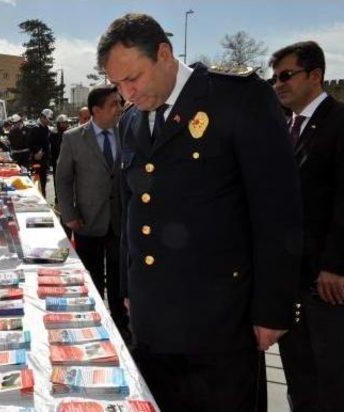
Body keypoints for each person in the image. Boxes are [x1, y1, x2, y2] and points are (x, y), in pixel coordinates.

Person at [99, 13, 302, 411]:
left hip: (219, 322)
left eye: (133, 78)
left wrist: (273, 309)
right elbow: (131, 215)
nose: (126, 94)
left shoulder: (237, 98)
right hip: (153, 322)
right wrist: (128, 293)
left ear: (164, 53)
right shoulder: (131, 124)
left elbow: (278, 209)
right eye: (117, 84)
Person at [270, 41, 344, 412]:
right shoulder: (286, 126)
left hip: (327, 282)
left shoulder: (339, 122)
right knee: (299, 374)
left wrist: (336, 265)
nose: (278, 84)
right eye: (274, 77)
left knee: (330, 378)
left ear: (315, 76)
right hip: (292, 279)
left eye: (286, 75)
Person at [55, 85, 126, 333]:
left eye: (120, 103)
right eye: (114, 105)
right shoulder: (73, 138)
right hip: (87, 221)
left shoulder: (126, 133)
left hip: (120, 222)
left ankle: (121, 326)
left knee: (120, 280)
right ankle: (93, 326)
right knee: (91, 278)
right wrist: (69, 214)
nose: (120, 109)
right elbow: (63, 179)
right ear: (96, 110)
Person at [28, 108, 53, 198]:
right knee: (37, 180)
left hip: (44, 159)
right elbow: (31, 143)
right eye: (48, 119)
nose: (49, 121)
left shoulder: (46, 128)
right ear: (42, 117)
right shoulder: (35, 128)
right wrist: (37, 151)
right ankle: (38, 197)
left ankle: (43, 197)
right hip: (37, 159)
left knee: (43, 181)